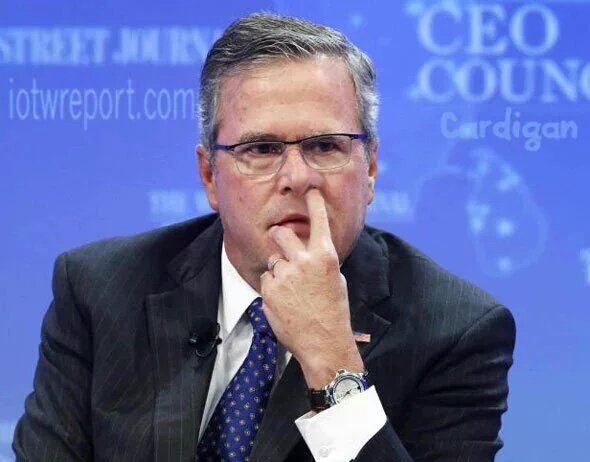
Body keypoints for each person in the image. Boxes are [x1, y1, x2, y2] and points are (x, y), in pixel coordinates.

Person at [13, 12, 516, 462]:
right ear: (209, 176)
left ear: (370, 168)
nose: (297, 177)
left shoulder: (456, 331)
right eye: (261, 149)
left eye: (325, 145)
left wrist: (331, 360)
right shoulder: (100, 291)